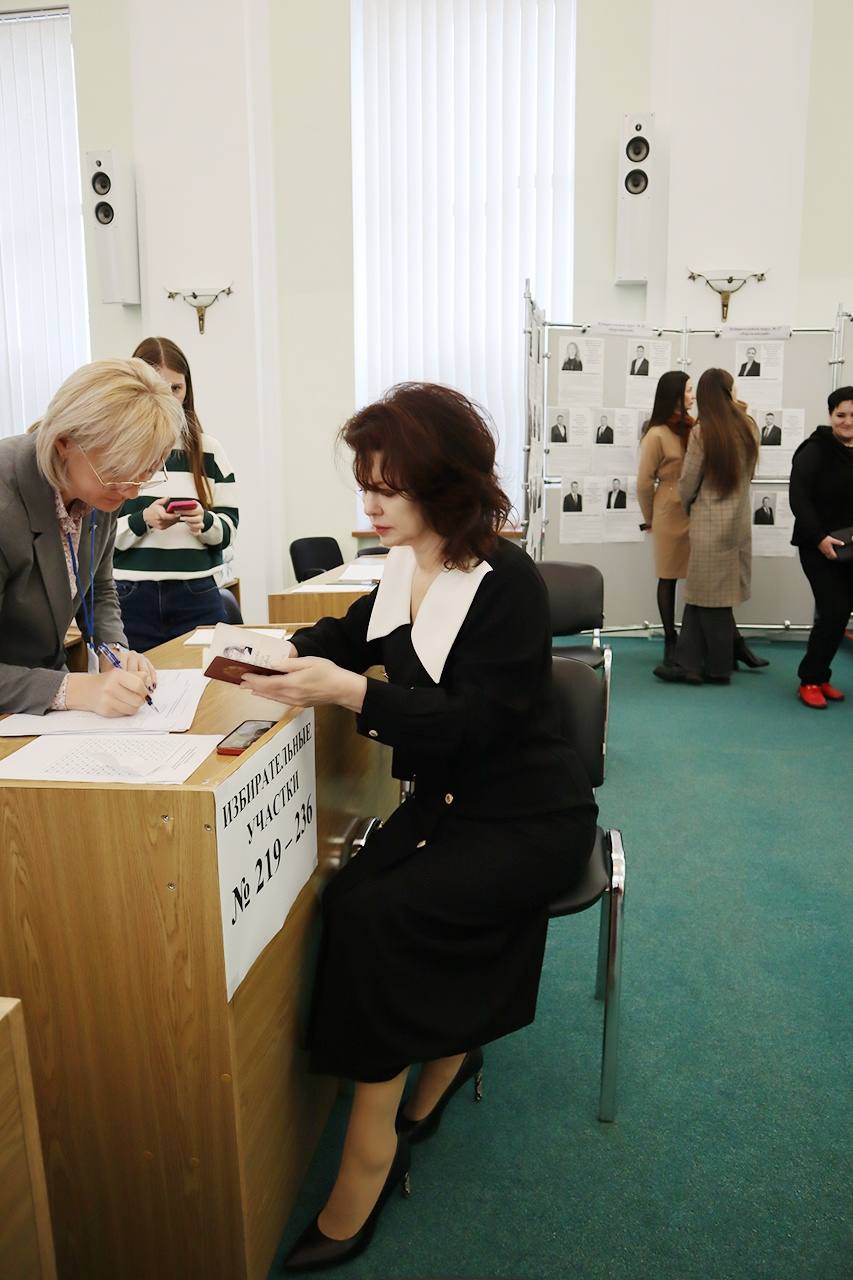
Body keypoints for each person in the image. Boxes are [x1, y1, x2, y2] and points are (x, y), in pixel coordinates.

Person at [242, 382, 597, 1272]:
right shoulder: (403, 563)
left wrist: (353, 691)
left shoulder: (504, 581)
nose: (367, 504)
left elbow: (478, 723)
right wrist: (279, 654)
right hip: (450, 801)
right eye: (364, 483)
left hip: (528, 811)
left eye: (385, 488)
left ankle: (369, 1152)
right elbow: (354, 632)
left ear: (440, 487)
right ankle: (445, 1052)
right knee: (355, 894)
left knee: (379, 915)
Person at [0, 359, 183, 715]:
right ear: (65, 443)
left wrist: (114, 651)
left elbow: (99, 588)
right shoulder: (5, 501)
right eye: (118, 472)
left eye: (144, 473)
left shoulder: (101, 489)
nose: (131, 492)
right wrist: (73, 689)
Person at [113, 337, 239, 651]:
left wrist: (204, 522)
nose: (168, 399)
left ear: (187, 390)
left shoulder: (207, 450)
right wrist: (144, 519)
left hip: (196, 593)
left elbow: (229, 529)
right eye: (157, 386)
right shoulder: (114, 450)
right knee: (135, 691)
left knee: (210, 692)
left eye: (176, 389)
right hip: (130, 595)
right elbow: (95, 536)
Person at [654, 369, 759, 685]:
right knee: (704, 595)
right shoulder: (749, 426)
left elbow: (688, 483)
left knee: (707, 597)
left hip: (709, 522)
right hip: (738, 521)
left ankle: (716, 669)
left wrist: (690, 507)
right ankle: (689, 665)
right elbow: (750, 474)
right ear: (729, 391)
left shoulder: (703, 432)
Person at [788, 385, 853, 709]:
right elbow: (798, 498)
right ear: (831, 416)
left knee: (840, 616)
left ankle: (822, 676)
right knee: (833, 611)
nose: (847, 421)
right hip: (818, 546)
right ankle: (810, 679)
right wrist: (819, 538)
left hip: (851, 547)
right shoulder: (814, 450)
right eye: (841, 414)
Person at [637, 371, 695, 666]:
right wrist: (650, 519)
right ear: (674, 395)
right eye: (687, 390)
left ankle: (694, 639)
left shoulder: (693, 426)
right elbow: (644, 483)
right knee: (668, 576)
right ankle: (670, 638)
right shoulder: (656, 433)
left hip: (696, 508)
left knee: (698, 577)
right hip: (668, 510)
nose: (692, 395)